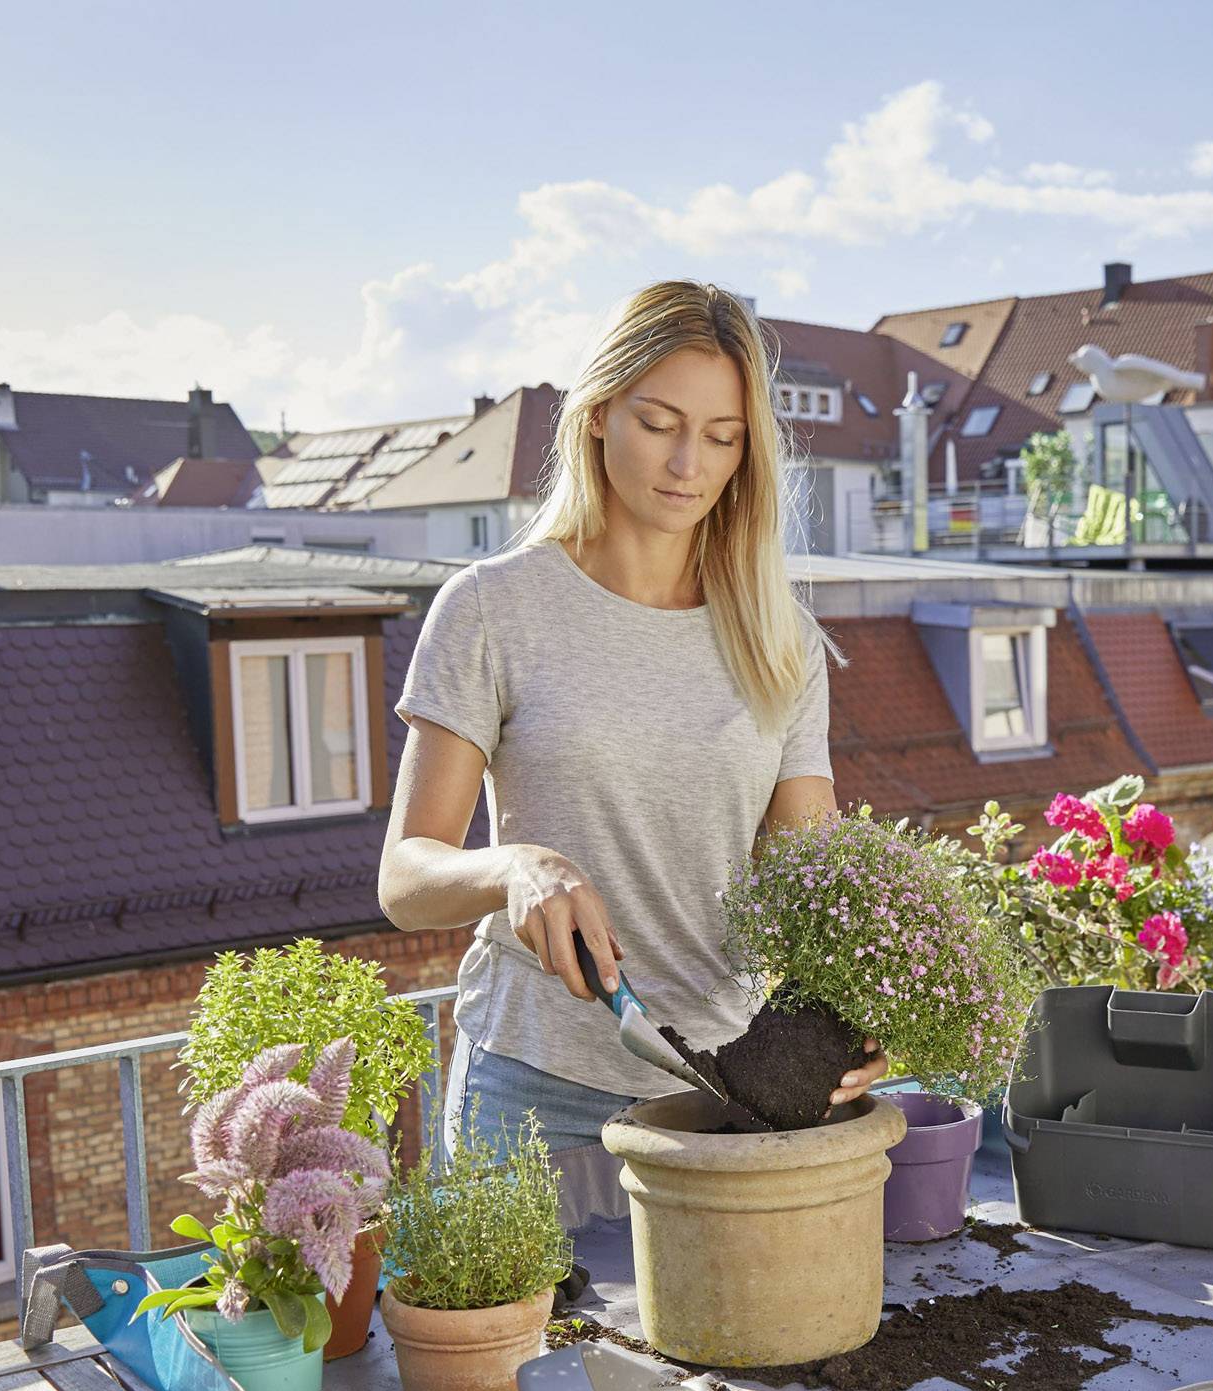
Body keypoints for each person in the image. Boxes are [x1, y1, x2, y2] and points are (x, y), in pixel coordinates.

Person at [378, 279, 883, 1224]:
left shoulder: (781, 639)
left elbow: (811, 883)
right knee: (521, 1328)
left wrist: (861, 1004)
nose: (689, 464)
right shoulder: (491, 608)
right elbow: (406, 879)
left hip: (722, 1097)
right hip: (531, 1086)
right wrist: (517, 868)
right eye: (659, 423)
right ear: (599, 413)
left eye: (723, 437)